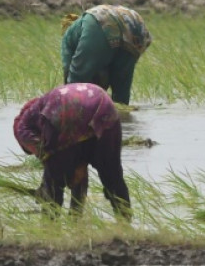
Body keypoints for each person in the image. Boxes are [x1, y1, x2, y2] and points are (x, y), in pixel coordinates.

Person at [13, 83, 131, 220]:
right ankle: (124, 223)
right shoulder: (43, 106)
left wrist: (45, 187)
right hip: (104, 106)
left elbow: (48, 156)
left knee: (54, 181)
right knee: (112, 174)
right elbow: (77, 162)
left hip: (65, 109)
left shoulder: (21, 127)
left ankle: (50, 229)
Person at [60, 4, 152, 105]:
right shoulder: (82, 26)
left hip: (102, 22)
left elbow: (72, 77)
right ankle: (123, 117)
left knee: (75, 85)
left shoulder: (67, 38)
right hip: (136, 29)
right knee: (121, 96)